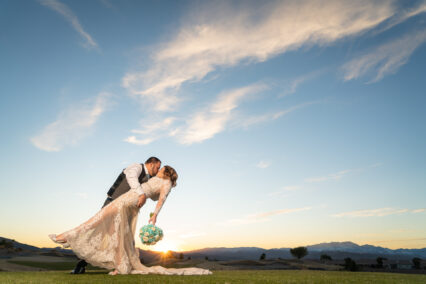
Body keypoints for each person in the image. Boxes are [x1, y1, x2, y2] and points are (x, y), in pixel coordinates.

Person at [48, 165, 211, 275]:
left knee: (97, 220)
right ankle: (120, 266)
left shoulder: (166, 183)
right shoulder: (158, 179)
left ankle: (66, 237)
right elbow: (153, 195)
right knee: (119, 234)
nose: (158, 171)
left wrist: (155, 215)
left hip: (129, 200)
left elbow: (160, 200)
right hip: (130, 199)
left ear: (166, 172)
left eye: (161, 169)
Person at [70, 157, 161, 274]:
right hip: (112, 204)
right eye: (158, 167)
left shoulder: (150, 178)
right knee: (100, 234)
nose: (158, 170)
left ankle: (123, 266)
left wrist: (161, 189)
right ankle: (81, 265)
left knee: (126, 238)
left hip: (126, 210)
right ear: (151, 164)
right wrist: (141, 194)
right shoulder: (136, 167)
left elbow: (153, 196)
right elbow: (131, 178)